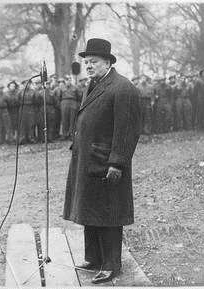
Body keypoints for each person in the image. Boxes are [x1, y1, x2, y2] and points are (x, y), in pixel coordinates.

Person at [62, 38, 141, 284]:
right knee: (89, 209)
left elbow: (127, 130)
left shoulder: (122, 88)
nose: (88, 65)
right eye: (86, 61)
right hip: (87, 159)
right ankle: (94, 257)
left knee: (108, 213)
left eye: (93, 61)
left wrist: (117, 162)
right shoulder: (95, 84)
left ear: (107, 62)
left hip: (107, 163)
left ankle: (111, 264)